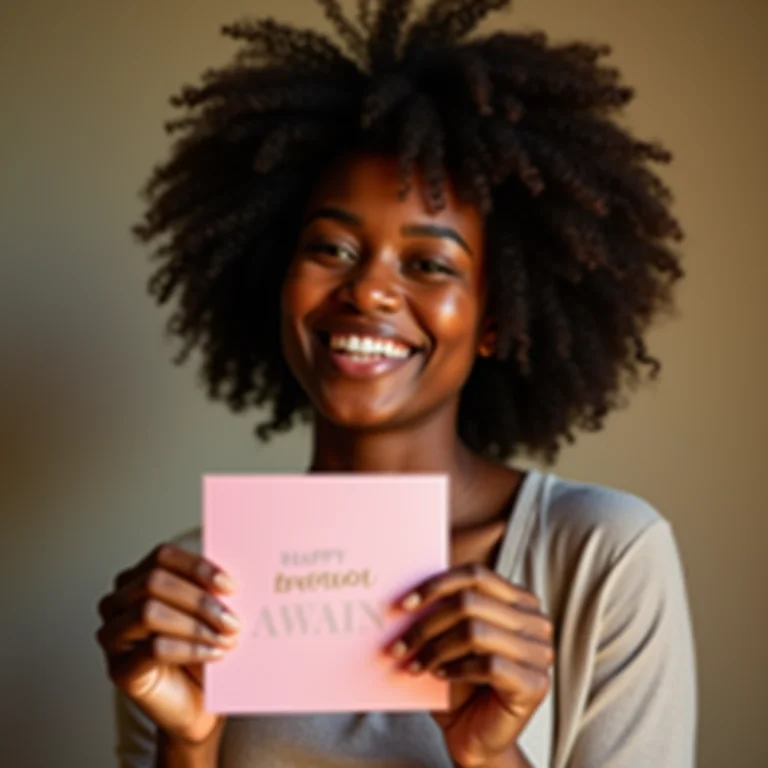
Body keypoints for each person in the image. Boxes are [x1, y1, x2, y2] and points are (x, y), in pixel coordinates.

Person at [95, 1, 697, 766]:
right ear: (278, 279)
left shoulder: (603, 556)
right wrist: (189, 741)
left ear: (493, 318)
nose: (369, 291)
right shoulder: (188, 592)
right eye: (332, 248)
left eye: (430, 264)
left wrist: (490, 755)